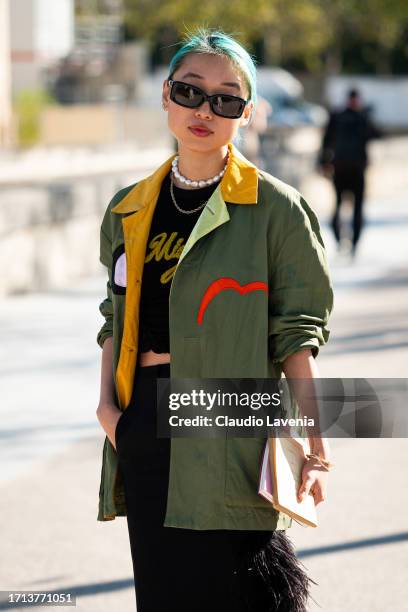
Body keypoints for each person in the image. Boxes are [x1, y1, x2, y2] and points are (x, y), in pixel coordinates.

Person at [96, 28, 334, 612]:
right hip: (145, 414)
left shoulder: (278, 209)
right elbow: (114, 314)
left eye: (227, 99)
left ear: (246, 113)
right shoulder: (129, 207)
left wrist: (316, 445)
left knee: (235, 591)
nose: (206, 110)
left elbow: (296, 334)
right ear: (165, 95)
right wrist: (110, 410)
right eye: (191, 91)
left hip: (230, 412)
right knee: (163, 591)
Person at [319, 88, 382, 256]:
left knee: (355, 209)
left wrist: (323, 163)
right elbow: (326, 141)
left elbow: (376, 135)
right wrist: (323, 163)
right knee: (340, 207)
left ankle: (352, 244)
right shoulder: (348, 117)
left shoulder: (353, 117)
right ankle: (342, 242)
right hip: (344, 169)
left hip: (352, 169)